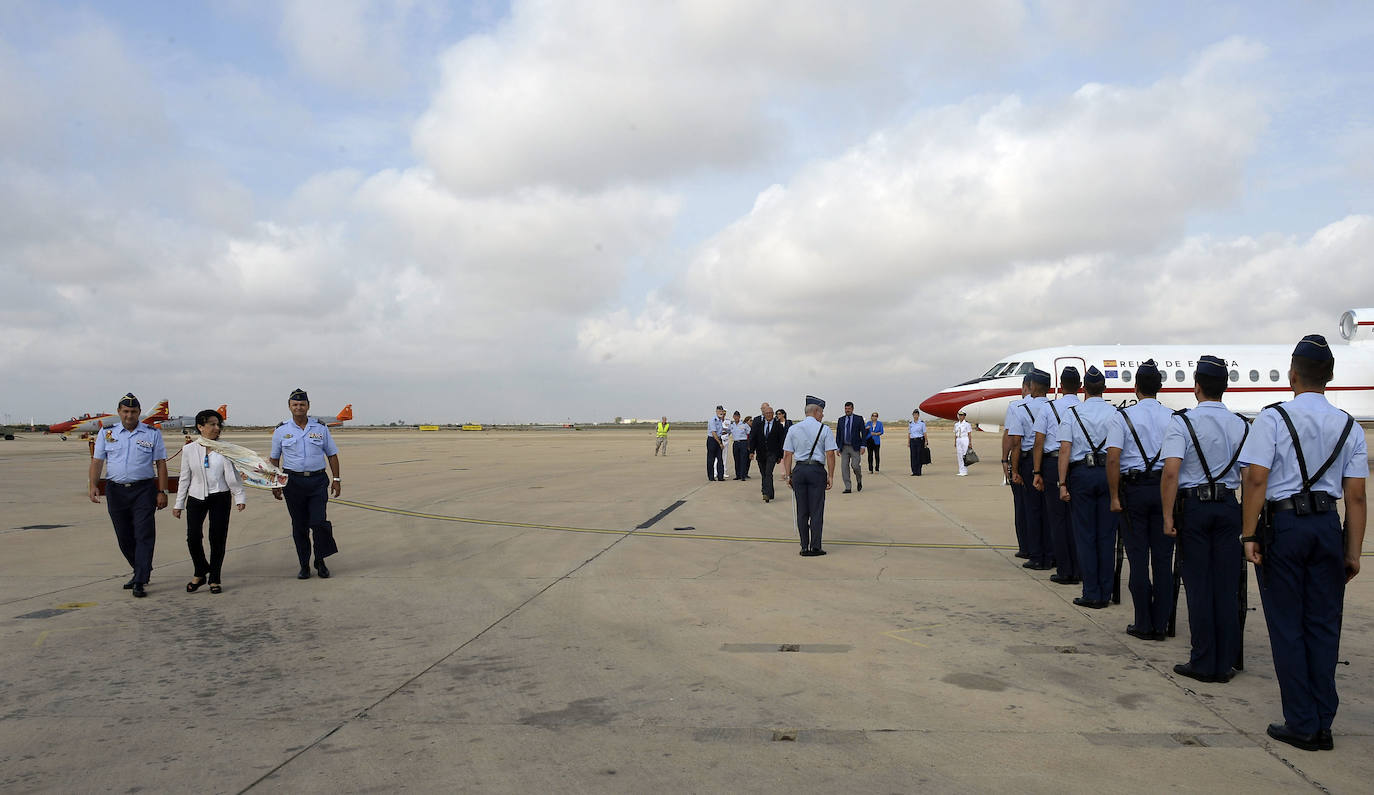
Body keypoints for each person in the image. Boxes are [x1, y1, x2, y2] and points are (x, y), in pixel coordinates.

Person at [1239, 335, 1368, 752]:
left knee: (1288, 626)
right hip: (1327, 527)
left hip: (1286, 527)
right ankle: (1323, 721)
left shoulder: (1273, 418)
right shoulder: (1349, 425)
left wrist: (1249, 534)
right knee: (1324, 625)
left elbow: (1255, 479)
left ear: (1292, 374)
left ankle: (1302, 722)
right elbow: (1357, 497)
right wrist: (1352, 549)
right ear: (1329, 376)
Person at [1159, 355, 1248, 684]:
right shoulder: (1241, 424)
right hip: (1228, 506)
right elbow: (1250, 475)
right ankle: (1224, 662)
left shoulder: (1182, 423)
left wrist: (1167, 515)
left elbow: (1171, 472)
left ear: (1196, 387)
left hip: (1194, 508)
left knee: (1198, 586)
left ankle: (1203, 660)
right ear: (1224, 388)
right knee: (1225, 588)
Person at [1106, 360, 1175, 640]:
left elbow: (1113, 459)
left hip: (1133, 491)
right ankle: (1162, 624)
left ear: (1136, 388)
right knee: (1162, 560)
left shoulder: (1122, 417)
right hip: (1163, 490)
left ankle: (1143, 623)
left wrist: (1114, 496)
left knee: (1137, 559)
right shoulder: (1173, 417)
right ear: (1159, 388)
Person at [88, 393, 168, 598]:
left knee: (144, 534)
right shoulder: (107, 433)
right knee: (124, 536)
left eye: (133, 412)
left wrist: (162, 491)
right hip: (116, 491)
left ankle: (140, 579)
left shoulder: (152, 433)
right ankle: (140, 569)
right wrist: (93, 485)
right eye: (125, 411)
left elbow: (160, 463)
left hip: (143, 490)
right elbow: (97, 461)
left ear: (139, 413)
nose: (129, 415)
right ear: (119, 412)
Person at [1056, 367, 1118, 607]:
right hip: (1107, 474)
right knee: (1106, 535)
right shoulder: (1115, 414)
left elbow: (1064, 450)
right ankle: (1106, 591)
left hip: (1081, 475)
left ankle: (1091, 592)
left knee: (1085, 536)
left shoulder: (1073, 414)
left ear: (1083, 388)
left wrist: (1062, 483)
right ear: (1104, 388)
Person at [270, 389, 343, 580]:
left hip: (318, 481)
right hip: (293, 483)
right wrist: (274, 483)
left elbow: (332, 454)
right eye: (295, 404)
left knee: (319, 523)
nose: (298, 407)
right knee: (299, 525)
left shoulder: (320, 427)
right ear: (289, 407)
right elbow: (274, 458)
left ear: (308, 406)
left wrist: (336, 479)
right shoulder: (281, 430)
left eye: (302, 404)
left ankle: (320, 560)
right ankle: (304, 564)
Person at [172, 409, 246, 594]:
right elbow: (184, 478)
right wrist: (179, 503)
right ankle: (200, 569)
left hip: (220, 496)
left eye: (218, 424)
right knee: (193, 537)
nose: (216, 428)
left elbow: (234, 476)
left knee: (217, 538)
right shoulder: (189, 450)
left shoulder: (226, 449)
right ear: (200, 427)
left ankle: (214, 578)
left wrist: (239, 497)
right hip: (196, 497)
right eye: (212, 424)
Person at [1034, 367, 1082, 585]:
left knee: (1058, 519)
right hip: (1079, 466)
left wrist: (1037, 471)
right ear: (1080, 386)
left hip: (1053, 464)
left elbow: (1039, 442)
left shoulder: (1048, 408)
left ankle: (1065, 570)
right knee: (1078, 520)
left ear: (1060, 386)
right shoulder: (1084, 408)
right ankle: (1081, 568)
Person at [782, 396, 838, 556]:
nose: (822, 416)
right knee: (816, 510)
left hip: (799, 471)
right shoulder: (824, 429)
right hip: (816, 471)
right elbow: (830, 455)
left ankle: (804, 546)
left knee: (802, 510)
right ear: (815, 411)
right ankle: (815, 546)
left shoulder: (793, 429)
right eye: (821, 412)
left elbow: (787, 454)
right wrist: (831, 476)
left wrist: (788, 476)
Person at [1008, 370, 1051, 569]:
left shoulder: (1020, 409)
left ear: (1031, 386)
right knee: (1051, 511)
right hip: (1049, 462)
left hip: (1027, 463)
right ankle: (1053, 554)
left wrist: (1014, 470)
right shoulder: (1055, 408)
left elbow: (1016, 443)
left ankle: (1036, 556)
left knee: (1032, 511)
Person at [1004, 376, 1033, 558]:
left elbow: (1012, 439)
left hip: (1023, 461)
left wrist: (1005, 461)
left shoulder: (1016, 407)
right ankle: (1046, 550)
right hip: (1044, 463)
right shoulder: (1051, 406)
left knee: (1022, 507)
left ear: (1025, 387)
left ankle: (1026, 548)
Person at [750, 403, 787, 503]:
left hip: (772, 453)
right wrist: (751, 451)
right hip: (761, 453)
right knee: (763, 474)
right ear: (764, 414)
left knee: (768, 473)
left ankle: (766, 493)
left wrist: (780, 455)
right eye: (767, 413)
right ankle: (770, 492)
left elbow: (781, 441)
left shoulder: (778, 425)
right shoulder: (758, 424)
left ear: (773, 414)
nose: (769, 415)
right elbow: (753, 438)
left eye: (770, 413)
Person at [836, 401, 866, 493]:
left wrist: (863, 445)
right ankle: (848, 487)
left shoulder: (858, 419)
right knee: (844, 467)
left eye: (849, 409)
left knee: (855, 465)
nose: (847, 410)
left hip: (855, 447)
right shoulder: (841, 420)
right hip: (844, 447)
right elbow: (838, 434)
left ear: (852, 409)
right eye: (846, 408)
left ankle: (859, 479)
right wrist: (837, 447)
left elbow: (863, 433)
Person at [705, 405, 726, 482]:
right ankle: (711, 477)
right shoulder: (713, 420)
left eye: (722, 411)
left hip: (718, 439)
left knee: (720, 459)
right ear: (716, 411)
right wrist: (720, 443)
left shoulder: (720, 420)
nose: (721, 412)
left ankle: (720, 476)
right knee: (711, 459)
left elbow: (719, 431)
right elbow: (713, 433)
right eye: (719, 411)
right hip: (712, 440)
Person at [730, 411, 751, 480]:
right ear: (733, 417)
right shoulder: (732, 425)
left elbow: (749, 433)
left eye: (737, 416)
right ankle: (738, 475)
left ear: (739, 417)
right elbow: (727, 432)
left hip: (743, 443)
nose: (736, 417)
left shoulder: (744, 424)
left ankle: (743, 475)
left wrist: (749, 444)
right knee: (737, 459)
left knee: (743, 459)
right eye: (735, 416)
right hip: (735, 443)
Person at [908, 410, 928, 476]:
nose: (915, 416)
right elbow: (909, 433)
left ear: (918, 415)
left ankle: (919, 471)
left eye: (916, 414)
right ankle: (914, 471)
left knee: (919, 456)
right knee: (913, 456)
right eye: (914, 415)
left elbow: (924, 433)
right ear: (913, 415)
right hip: (912, 441)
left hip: (920, 440)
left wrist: (926, 441)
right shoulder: (911, 423)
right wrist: (908, 442)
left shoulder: (922, 423)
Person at [954, 411, 973, 477]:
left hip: (965, 439)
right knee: (959, 455)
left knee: (964, 455)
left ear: (964, 416)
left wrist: (970, 443)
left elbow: (969, 434)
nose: (960, 417)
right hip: (958, 439)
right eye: (959, 415)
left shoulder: (967, 424)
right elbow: (955, 433)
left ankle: (965, 471)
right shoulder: (956, 424)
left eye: (962, 415)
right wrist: (955, 442)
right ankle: (961, 471)